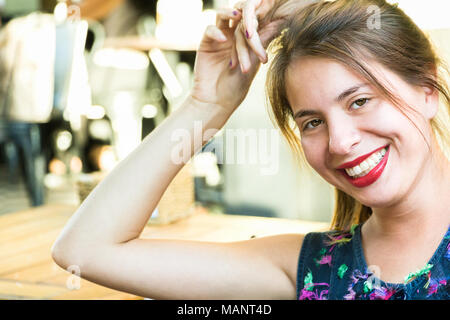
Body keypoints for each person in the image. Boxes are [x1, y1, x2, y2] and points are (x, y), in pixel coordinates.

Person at [51, 0, 450, 300]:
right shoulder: (316, 270)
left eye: (360, 100)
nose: (340, 142)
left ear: (427, 90)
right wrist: (206, 106)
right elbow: (85, 249)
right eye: (312, 122)